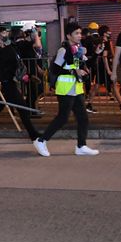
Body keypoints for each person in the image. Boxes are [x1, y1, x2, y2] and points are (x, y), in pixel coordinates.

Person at [0, 27, 44, 152]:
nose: (24, 41)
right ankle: (34, 135)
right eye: (22, 39)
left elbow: (15, 69)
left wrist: (27, 77)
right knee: (22, 108)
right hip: (5, 83)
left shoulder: (15, 51)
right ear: (17, 39)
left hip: (7, 82)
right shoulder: (9, 51)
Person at [35, 22, 98, 157]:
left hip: (76, 88)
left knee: (83, 118)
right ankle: (41, 140)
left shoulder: (77, 49)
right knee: (63, 118)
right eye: (77, 33)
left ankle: (81, 146)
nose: (80, 36)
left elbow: (84, 65)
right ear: (69, 36)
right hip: (65, 89)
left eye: (80, 33)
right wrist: (75, 71)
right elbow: (55, 69)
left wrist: (96, 54)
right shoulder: (63, 50)